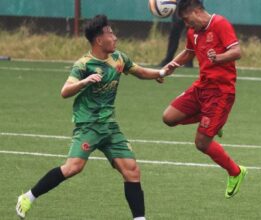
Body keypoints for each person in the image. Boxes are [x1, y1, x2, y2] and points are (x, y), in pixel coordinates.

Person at [15, 14, 176, 220]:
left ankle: (139, 219)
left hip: (109, 126)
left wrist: (161, 73)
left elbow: (140, 71)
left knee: (132, 170)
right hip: (88, 125)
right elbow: (65, 91)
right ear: (99, 40)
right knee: (73, 168)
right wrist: (84, 82)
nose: (115, 37)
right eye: (110, 33)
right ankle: (28, 197)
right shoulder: (83, 65)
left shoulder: (119, 58)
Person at [161, 0, 247, 199]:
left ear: (197, 11)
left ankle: (235, 172)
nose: (186, 25)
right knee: (168, 117)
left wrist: (218, 57)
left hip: (221, 92)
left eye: (186, 19)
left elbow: (236, 52)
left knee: (201, 143)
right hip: (201, 87)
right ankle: (213, 120)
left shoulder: (219, 23)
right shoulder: (194, 31)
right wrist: (171, 65)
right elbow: (189, 52)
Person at [159, 0, 194, 68]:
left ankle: (189, 61)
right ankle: (168, 59)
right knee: (174, 34)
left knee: (191, 34)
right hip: (179, 5)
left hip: (192, 5)